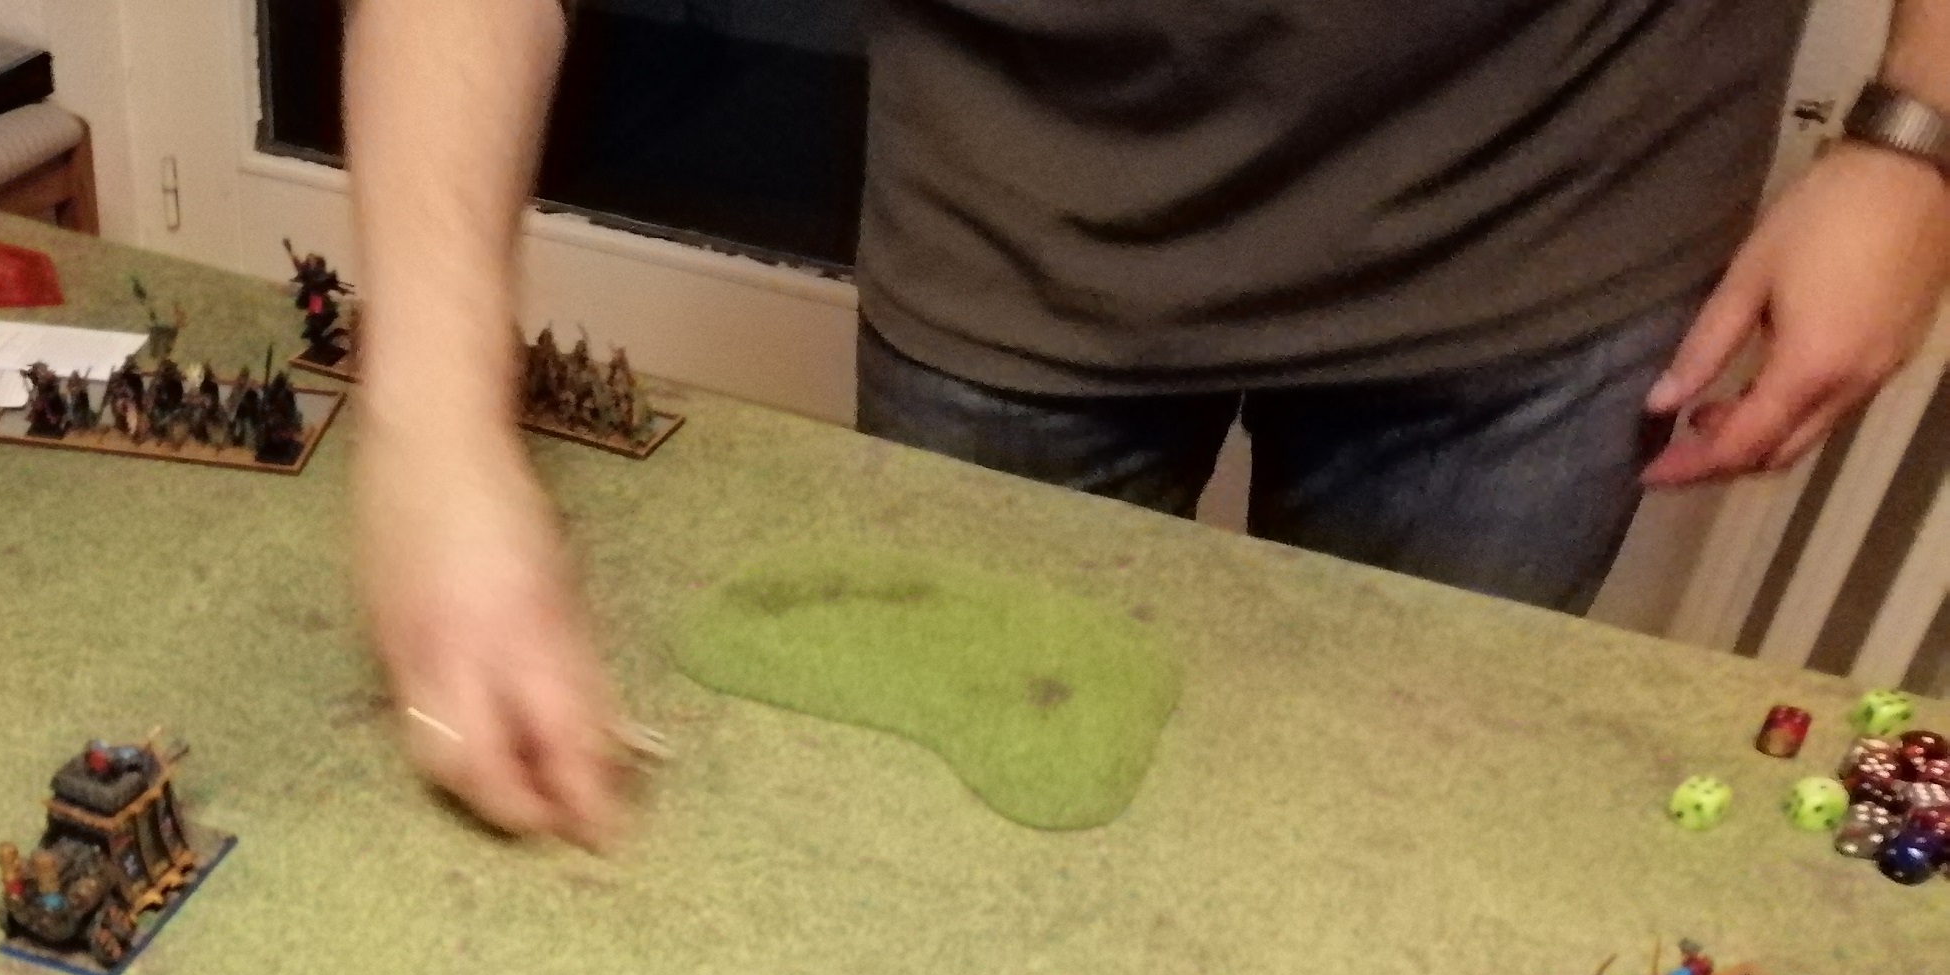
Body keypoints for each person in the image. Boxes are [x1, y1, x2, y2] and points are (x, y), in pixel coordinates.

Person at [348, 0, 1950, 848]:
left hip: (1555, 206)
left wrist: (1921, 125)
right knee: (950, 852)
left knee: (1381, 844)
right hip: (1021, 203)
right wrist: (433, 422)